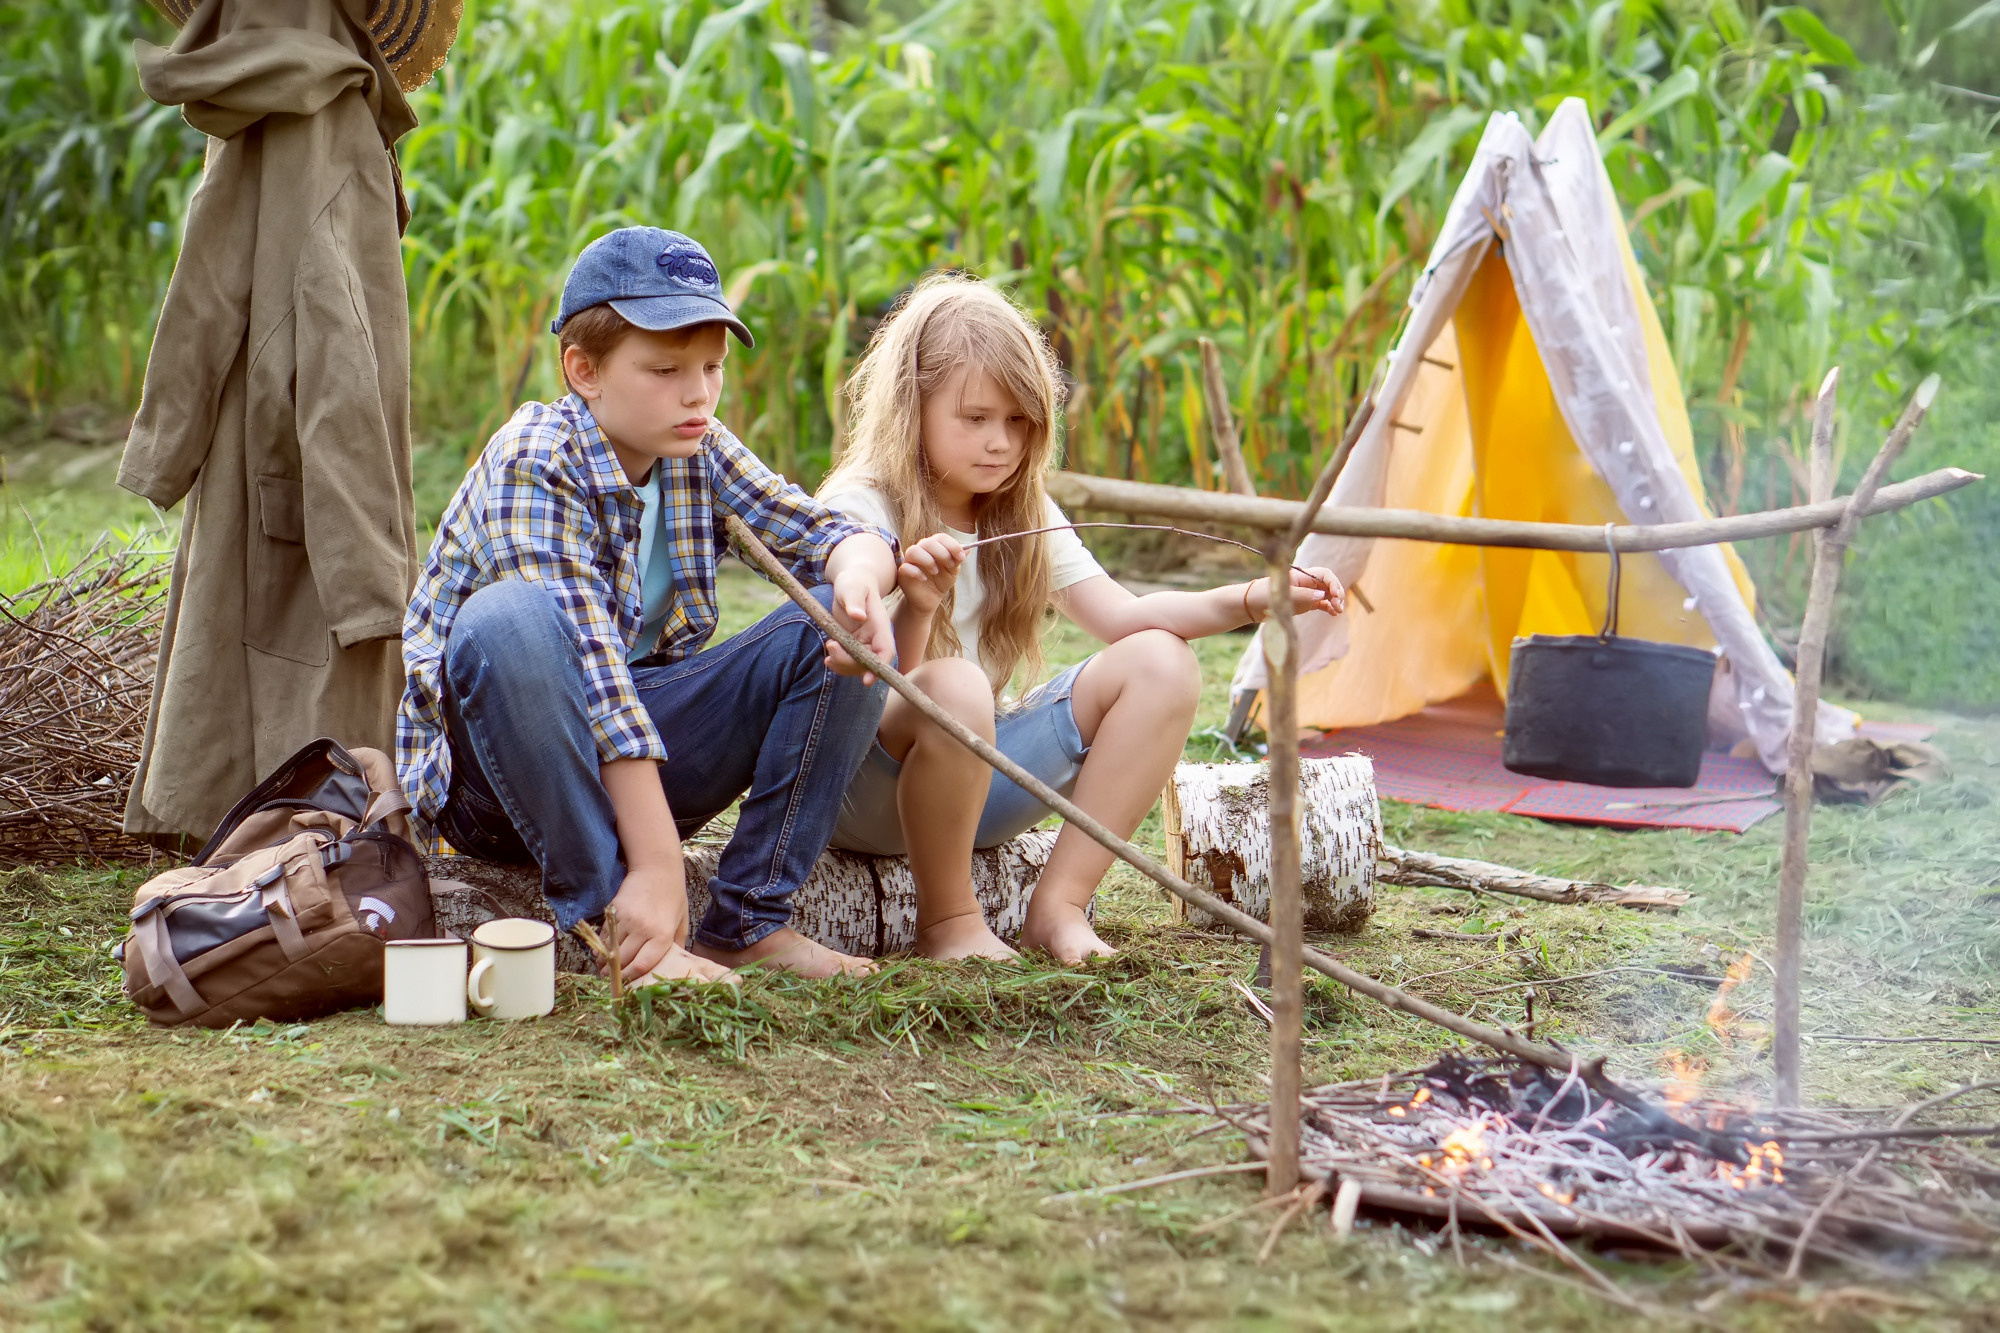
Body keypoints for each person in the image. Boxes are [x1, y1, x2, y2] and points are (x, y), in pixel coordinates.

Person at [399, 228, 900, 984]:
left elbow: (818, 529)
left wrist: (863, 569)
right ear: (584, 370)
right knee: (512, 621)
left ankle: (748, 921)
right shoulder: (536, 454)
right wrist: (661, 863)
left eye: (712, 368)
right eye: (666, 369)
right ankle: (616, 928)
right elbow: (593, 669)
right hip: (505, 777)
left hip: (642, 763)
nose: (698, 392)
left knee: (836, 621)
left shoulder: (694, 445)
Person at [818, 274, 1343, 964]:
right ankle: (948, 923)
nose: (1000, 442)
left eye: (1018, 421)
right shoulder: (860, 508)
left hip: (973, 782)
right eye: (975, 418)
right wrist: (917, 604)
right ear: (912, 405)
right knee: (958, 686)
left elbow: (1125, 615)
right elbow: (860, 689)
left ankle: (1058, 906)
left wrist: (1250, 599)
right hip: (860, 786)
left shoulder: (1021, 513)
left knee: (1161, 661)